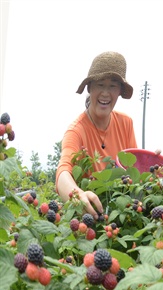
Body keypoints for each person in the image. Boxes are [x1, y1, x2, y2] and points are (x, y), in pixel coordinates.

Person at [56, 51, 138, 216]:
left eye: (113, 86)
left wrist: (153, 166)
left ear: (120, 91)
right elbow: (63, 172)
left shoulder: (126, 123)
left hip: (122, 215)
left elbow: (135, 170)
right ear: (90, 87)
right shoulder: (76, 131)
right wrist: (77, 195)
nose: (106, 93)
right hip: (90, 218)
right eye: (100, 84)